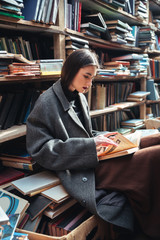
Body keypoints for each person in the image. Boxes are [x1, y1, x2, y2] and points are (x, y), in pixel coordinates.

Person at [26, 49, 160, 240]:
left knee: (153, 138)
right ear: (70, 71)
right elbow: (40, 150)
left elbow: (86, 133)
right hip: (81, 169)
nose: (89, 83)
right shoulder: (46, 102)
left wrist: (108, 137)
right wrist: (90, 145)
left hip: (97, 156)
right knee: (154, 157)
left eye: (92, 78)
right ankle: (153, 227)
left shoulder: (79, 96)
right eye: (86, 77)